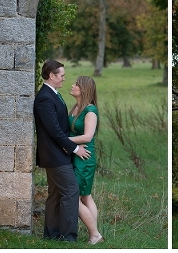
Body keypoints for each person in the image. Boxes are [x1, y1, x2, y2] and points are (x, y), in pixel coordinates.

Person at [34, 60, 90, 242]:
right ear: (52, 76)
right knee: (71, 191)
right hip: (54, 155)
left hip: (58, 153)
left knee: (55, 194)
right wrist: (74, 148)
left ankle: (51, 234)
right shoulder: (44, 98)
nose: (64, 79)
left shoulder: (53, 94)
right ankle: (67, 237)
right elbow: (54, 130)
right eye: (62, 75)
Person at [67, 76, 104, 245]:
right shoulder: (76, 107)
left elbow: (88, 136)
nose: (72, 86)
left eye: (76, 84)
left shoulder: (90, 111)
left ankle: (95, 234)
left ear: (84, 89)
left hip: (85, 157)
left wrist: (64, 140)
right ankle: (94, 234)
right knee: (85, 196)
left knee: (78, 196)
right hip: (76, 153)